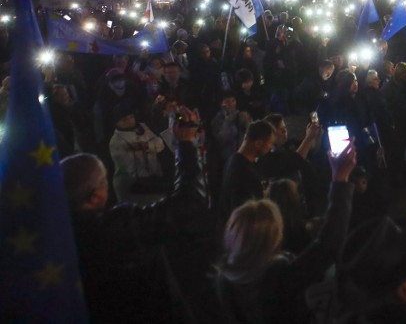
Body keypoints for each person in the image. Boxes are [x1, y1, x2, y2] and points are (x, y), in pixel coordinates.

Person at [61, 107, 207, 323]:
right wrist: (186, 144)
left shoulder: (57, 238)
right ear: (94, 197)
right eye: (103, 181)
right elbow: (188, 206)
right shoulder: (117, 229)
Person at [216, 143, 357, 323]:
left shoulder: (225, 280)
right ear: (273, 237)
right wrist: (340, 180)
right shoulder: (280, 279)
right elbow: (328, 244)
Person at [108, 103, 168, 205]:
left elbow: (160, 144)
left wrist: (146, 146)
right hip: (132, 187)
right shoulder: (116, 141)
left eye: (131, 117)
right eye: (124, 119)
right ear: (116, 122)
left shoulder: (143, 127)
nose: (129, 121)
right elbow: (128, 167)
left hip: (153, 180)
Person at [220, 119, 276, 220]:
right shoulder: (244, 172)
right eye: (270, 143)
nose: (270, 148)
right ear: (258, 143)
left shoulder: (233, 161)